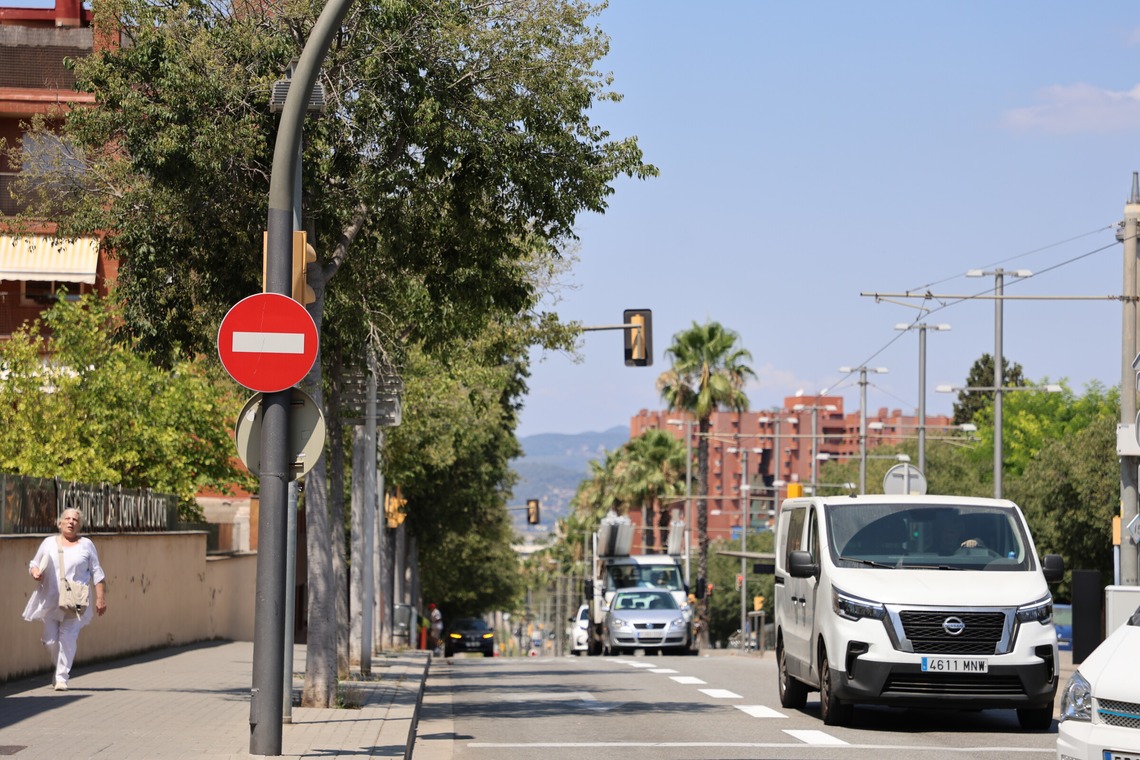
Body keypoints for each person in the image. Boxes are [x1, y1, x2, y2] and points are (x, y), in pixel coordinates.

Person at [23, 508, 107, 690]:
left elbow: (97, 572)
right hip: (51, 599)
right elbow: (34, 563)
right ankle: (58, 667)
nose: (71, 522)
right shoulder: (49, 543)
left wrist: (100, 598)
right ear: (60, 523)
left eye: (75, 520)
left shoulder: (86, 545)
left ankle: (62, 677)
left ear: (79, 525)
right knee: (51, 641)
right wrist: (35, 572)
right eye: (67, 519)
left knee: (68, 638)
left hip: (75, 600)